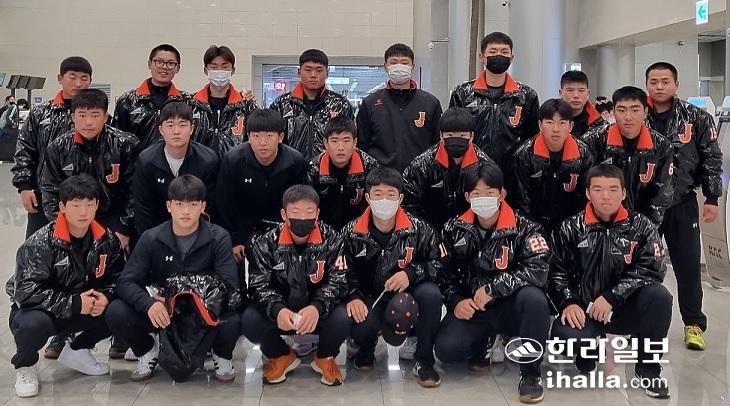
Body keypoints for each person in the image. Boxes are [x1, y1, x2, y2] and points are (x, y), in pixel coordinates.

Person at [549, 164, 671, 399]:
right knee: (565, 340)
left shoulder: (641, 226)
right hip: (585, 310)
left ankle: (649, 370)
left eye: (613, 189)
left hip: (624, 309)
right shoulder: (569, 228)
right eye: (598, 189)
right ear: (588, 193)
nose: (606, 196)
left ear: (623, 193)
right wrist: (568, 302)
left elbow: (653, 269)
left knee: (659, 296)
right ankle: (588, 349)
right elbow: (556, 273)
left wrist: (612, 296)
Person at [106, 175, 242, 382]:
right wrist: (149, 303)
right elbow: (125, 282)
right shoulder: (151, 238)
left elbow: (229, 285)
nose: (186, 212)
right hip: (162, 313)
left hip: (203, 313)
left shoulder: (219, 237)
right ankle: (147, 350)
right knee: (116, 311)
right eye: (179, 204)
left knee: (234, 318)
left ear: (202, 206)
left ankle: (220, 354)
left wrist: (178, 295)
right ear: (169, 206)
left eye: (193, 205)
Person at [435, 162, 550, 404]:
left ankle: (530, 374)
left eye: (489, 192)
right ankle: (485, 340)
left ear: (502, 194)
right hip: (475, 308)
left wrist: (494, 288)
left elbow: (539, 269)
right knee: (446, 350)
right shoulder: (453, 229)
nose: (483, 199)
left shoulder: (527, 228)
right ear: (467, 197)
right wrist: (456, 301)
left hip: (510, 306)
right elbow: (443, 273)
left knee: (535, 299)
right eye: (476, 193)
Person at [9, 174, 124, 398]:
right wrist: (74, 303)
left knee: (122, 310)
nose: (83, 212)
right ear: (62, 207)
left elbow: (118, 278)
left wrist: (106, 297)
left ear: (97, 205)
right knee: (31, 324)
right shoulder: (39, 244)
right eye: (76, 205)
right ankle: (26, 365)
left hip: (84, 308)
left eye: (89, 204)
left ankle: (78, 350)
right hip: (45, 312)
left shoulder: (107, 240)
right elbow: (25, 292)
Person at [342, 167, 446, 387]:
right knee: (360, 323)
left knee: (431, 294)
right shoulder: (351, 232)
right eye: (378, 194)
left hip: (407, 299)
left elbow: (441, 263)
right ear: (368, 198)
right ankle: (366, 347)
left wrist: (411, 273)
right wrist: (353, 296)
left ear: (400, 198)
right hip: (370, 298)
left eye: (390, 195)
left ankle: (424, 360)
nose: (384, 201)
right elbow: (341, 270)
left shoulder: (420, 229)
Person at [645, 61, 724, 350]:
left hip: (683, 202)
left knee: (688, 265)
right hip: (645, 205)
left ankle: (693, 324)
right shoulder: (637, 115)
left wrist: (712, 198)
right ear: (647, 85)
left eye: (665, 81)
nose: (659, 86)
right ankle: (632, 321)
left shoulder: (697, 117)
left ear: (676, 84)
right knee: (640, 264)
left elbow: (711, 157)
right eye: (654, 82)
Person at [242, 184, 351, 386]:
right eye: (295, 212)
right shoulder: (265, 243)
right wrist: (277, 309)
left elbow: (339, 280)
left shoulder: (333, 239)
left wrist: (317, 306)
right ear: (284, 214)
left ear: (318, 213)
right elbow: (258, 285)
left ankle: (325, 356)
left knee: (344, 317)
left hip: (317, 310)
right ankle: (281, 355)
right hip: (284, 311)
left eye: (309, 212)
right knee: (250, 319)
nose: (302, 218)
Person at [40, 89, 137, 254]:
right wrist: (67, 229)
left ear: (106, 117)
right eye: (82, 115)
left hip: (115, 220)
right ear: (72, 117)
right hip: (74, 221)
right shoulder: (57, 148)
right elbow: (50, 192)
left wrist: (125, 228)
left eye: (95, 115)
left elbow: (136, 191)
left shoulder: (126, 145)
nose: (88, 122)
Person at [12, 56, 93, 240]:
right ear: (60, 78)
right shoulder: (41, 114)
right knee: (40, 245)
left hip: (85, 197)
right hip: (44, 195)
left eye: (84, 78)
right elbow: (25, 149)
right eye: (72, 77)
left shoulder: (96, 116)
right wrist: (24, 187)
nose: (78, 83)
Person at [215, 108, 307, 264]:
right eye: (256, 136)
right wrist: (234, 240)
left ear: (280, 137)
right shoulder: (233, 160)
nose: (262, 142)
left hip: (280, 228)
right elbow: (224, 203)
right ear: (248, 137)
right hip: (243, 227)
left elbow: (299, 202)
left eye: (269, 136)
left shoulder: (295, 161)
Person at [582, 86, 673, 226]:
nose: (628, 117)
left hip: (644, 223)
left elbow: (662, 193)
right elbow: (583, 187)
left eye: (635, 110)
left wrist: (644, 227)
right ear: (613, 112)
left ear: (645, 112)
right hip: (599, 223)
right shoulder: (593, 141)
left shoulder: (661, 146)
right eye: (622, 110)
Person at [449, 31, 539, 170]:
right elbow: (453, 132)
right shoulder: (462, 93)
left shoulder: (526, 96)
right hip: (472, 170)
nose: (499, 55)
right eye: (493, 51)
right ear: (481, 57)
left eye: (504, 52)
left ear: (512, 57)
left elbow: (533, 138)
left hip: (514, 172)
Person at [402, 107, 498, 227]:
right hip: (430, 229)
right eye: (450, 135)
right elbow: (409, 205)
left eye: (462, 135)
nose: (456, 139)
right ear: (441, 136)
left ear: (471, 136)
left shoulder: (484, 165)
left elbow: (492, 204)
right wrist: (425, 233)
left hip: (469, 231)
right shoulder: (422, 165)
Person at [133, 101, 219, 236]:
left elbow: (210, 207)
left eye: (183, 125)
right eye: (170, 125)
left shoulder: (208, 160)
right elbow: (143, 210)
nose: (176, 131)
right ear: (161, 130)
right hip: (156, 232)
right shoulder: (146, 161)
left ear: (192, 129)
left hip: (197, 232)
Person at [356, 43, 442, 171]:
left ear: (412, 67)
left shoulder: (430, 103)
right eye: (394, 62)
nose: (399, 67)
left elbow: (437, 145)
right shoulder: (370, 103)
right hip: (381, 177)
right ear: (385, 67)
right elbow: (362, 146)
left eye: (404, 63)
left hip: (420, 176)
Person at [512, 99, 594, 232]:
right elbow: (522, 202)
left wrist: (572, 229)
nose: (556, 129)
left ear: (571, 126)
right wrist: (533, 230)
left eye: (562, 123)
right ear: (540, 124)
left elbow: (585, 199)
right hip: (533, 225)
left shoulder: (584, 154)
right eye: (549, 122)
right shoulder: (524, 155)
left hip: (571, 227)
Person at [269, 49, 354, 159]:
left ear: (327, 73)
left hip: (327, 167)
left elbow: (351, 140)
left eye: (319, 70)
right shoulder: (282, 104)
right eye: (308, 70)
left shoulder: (340, 105)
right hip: (291, 167)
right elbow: (270, 138)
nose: (313, 75)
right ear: (299, 72)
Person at [304, 116, 379, 230]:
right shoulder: (313, 169)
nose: (340, 147)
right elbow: (308, 207)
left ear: (355, 142)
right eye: (334, 141)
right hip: (324, 230)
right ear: (326, 143)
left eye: (346, 141)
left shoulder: (370, 167)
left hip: (360, 230)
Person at [112, 44, 189, 153]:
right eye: (159, 62)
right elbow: (116, 139)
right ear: (149, 64)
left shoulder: (186, 101)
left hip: (175, 161)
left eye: (171, 63)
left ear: (178, 68)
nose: (164, 67)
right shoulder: (127, 101)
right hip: (137, 162)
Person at [190, 45, 258, 157]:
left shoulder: (245, 105)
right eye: (214, 67)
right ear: (205, 70)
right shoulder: (192, 104)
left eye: (225, 67)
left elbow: (255, 139)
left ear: (233, 70)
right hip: (200, 165)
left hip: (235, 165)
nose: (219, 71)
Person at [558, 71, 608, 139]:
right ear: (561, 93)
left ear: (588, 94)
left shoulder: (600, 126)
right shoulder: (547, 120)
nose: (576, 95)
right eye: (570, 90)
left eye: (581, 90)